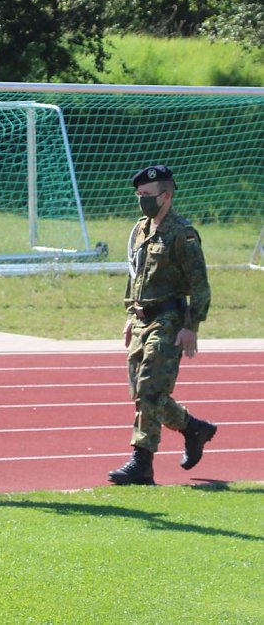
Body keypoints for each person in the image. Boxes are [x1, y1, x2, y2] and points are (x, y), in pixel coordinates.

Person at [109, 164, 217, 486]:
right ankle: (194, 428)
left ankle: (142, 464)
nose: (143, 200)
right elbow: (135, 277)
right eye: (140, 195)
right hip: (142, 320)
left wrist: (191, 326)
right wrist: (131, 315)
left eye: (149, 195)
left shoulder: (182, 234)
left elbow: (200, 285)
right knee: (144, 396)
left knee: (150, 389)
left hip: (169, 320)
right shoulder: (140, 229)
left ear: (166, 195)